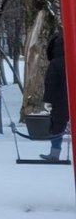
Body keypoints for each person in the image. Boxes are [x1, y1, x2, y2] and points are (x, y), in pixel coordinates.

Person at [44, 32, 67, 162]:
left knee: (57, 126)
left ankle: (55, 153)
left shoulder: (55, 63)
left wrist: (48, 100)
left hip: (60, 100)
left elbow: (50, 83)